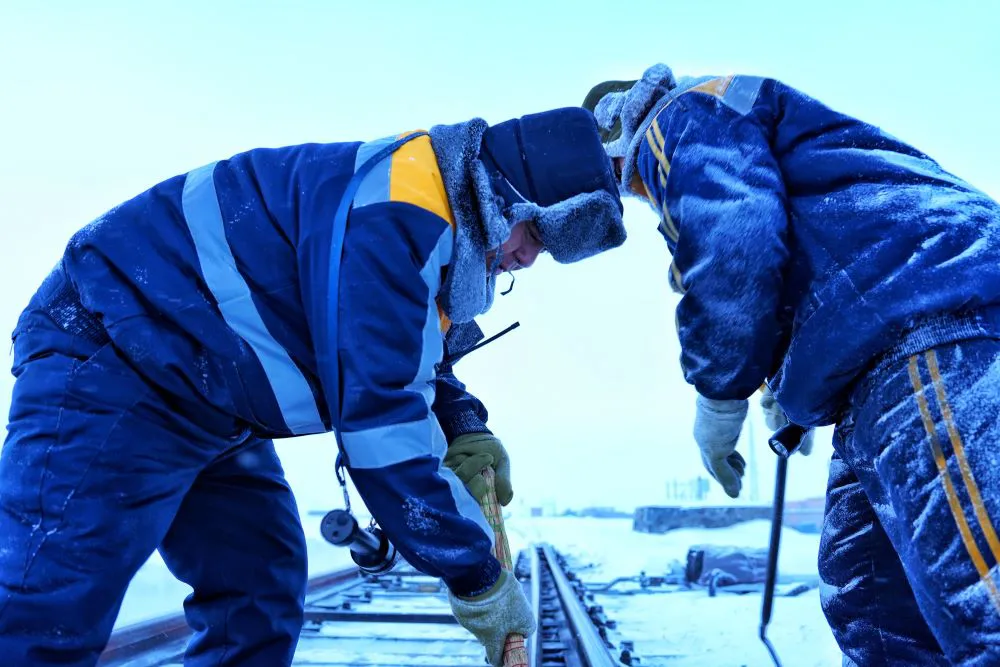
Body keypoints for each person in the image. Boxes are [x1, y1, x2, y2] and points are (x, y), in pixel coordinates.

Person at [0, 106, 625, 667]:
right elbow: (380, 421)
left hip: (207, 396)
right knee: (49, 602)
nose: (527, 259)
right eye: (535, 236)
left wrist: (464, 426)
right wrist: (477, 577)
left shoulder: (430, 224)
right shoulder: (402, 213)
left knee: (258, 588)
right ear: (506, 200)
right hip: (117, 352)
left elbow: (412, 359)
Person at [583, 64, 1000, 666]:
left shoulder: (675, 119)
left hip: (932, 323)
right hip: (880, 368)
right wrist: (789, 387)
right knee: (872, 611)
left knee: (982, 601)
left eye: (623, 182)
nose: (636, 193)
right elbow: (787, 247)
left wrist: (720, 397)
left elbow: (734, 246)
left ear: (612, 137)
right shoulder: (716, 129)